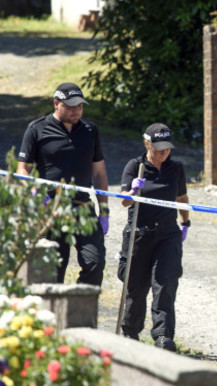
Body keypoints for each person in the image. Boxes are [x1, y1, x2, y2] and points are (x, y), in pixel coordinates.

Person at [16, 82, 108, 286]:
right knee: (53, 273)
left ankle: (80, 312)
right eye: (71, 106)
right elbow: (22, 169)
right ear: (56, 104)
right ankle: (54, 316)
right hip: (51, 209)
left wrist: (104, 211)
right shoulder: (37, 129)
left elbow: (100, 172)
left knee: (95, 263)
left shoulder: (90, 130)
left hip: (82, 208)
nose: (77, 111)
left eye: (80, 106)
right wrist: (33, 191)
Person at [117, 123, 190, 352]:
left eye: (167, 148)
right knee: (136, 287)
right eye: (158, 148)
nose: (163, 152)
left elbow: (182, 197)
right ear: (147, 144)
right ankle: (130, 332)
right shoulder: (134, 166)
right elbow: (124, 201)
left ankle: (163, 335)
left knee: (165, 283)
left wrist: (185, 222)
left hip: (168, 233)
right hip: (140, 232)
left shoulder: (175, 168)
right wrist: (133, 191)